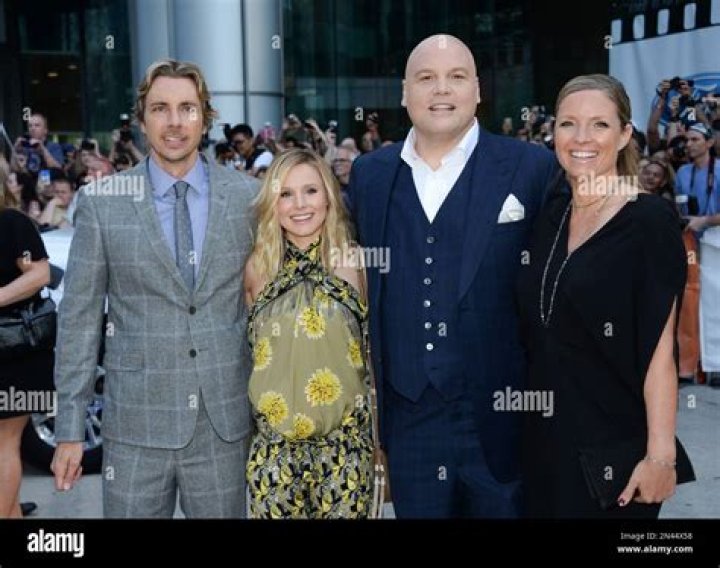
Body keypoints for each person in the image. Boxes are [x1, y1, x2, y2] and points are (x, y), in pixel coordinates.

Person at [348, 34, 559, 518]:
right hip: (410, 421)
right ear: (405, 93)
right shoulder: (370, 175)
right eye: (426, 78)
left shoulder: (532, 167)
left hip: (503, 418)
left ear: (478, 91)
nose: (441, 89)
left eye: (456, 76)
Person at [51, 59, 259, 518]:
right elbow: (80, 319)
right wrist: (70, 428)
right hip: (134, 427)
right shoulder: (102, 204)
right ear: (142, 121)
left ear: (205, 118)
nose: (174, 122)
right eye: (160, 108)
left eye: (187, 108)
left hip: (222, 424)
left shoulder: (247, 199)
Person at [517, 74, 691, 518]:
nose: (582, 138)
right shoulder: (550, 214)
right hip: (541, 450)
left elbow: (660, 355)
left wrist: (661, 457)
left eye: (599, 124)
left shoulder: (648, 222)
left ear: (625, 134)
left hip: (614, 458)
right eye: (568, 124)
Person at [243, 148, 373, 518]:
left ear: (329, 196)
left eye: (311, 191)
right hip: (273, 457)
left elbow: (374, 355)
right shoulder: (256, 268)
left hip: (346, 454)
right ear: (273, 202)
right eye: (286, 193)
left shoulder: (355, 262)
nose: (300, 204)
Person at [0, 169, 53, 518]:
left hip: (15, 353)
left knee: (5, 444)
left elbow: (40, 274)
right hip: (15, 351)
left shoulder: (11, 222)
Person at [674, 122, 720, 384]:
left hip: (716, 239)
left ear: (709, 143)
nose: (689, 144)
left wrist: (706, 220)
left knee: (715, 301)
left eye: (695, 139)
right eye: (687, 140)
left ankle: (716, 364)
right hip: (691, 239)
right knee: (692, 301)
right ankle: (691, 366)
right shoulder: (683, 172)